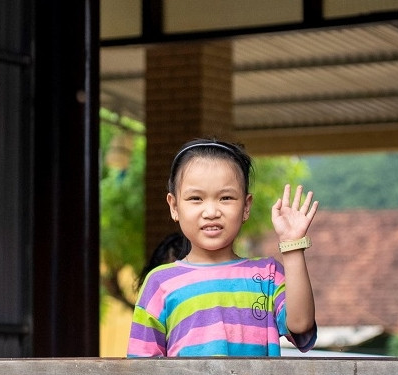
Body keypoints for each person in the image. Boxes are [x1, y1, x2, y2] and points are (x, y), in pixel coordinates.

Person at [127, 137, 319, 357]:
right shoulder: (158, 283)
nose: (211, 212)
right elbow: (141, 365)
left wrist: (292, 245)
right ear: (174, 206)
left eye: (226, 197)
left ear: (246, 207)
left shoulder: (267, 275)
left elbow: (301, 324)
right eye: (196, 198)